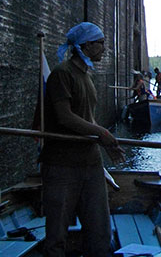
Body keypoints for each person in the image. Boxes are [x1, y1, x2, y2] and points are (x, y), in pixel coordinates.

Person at [39, 22, 124, 257]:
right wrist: (102, 133)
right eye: (101, 43)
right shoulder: (62, 74)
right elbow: (65, 117)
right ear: (87, 45)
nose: (105, 48)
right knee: (57, 234)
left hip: (91, 164)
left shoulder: (87, 76)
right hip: (62, 165)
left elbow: (88, 119)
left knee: (99, 232)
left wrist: (107, 142)